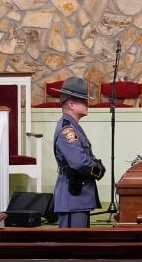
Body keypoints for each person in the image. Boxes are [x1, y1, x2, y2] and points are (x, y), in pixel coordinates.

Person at [52, 76, 105, 228]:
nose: (87, 104)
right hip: (73, 197)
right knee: (73, 246)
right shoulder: (67, 130)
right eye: (83, 100)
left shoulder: (73, 127)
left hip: (77, 196)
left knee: (80, 245)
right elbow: (79, 162)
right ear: (72, 104)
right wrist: (97, 169)